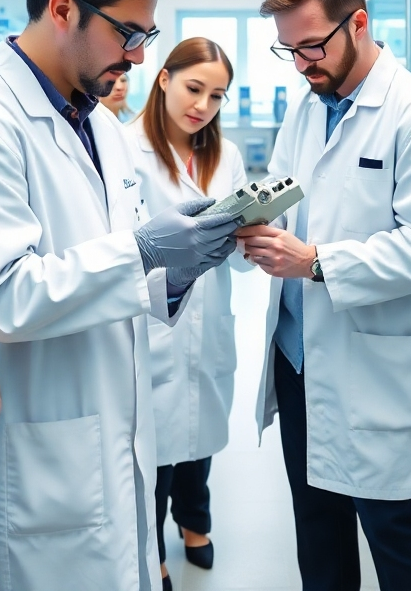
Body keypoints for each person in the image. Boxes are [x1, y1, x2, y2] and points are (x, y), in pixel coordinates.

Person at [0, 0, 240, 591]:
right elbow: (8, 298)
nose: (141, 57)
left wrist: (178, 266)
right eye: (130, 34)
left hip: (114, 438)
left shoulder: (98, 124)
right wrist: (145, 250)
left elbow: (114, 273)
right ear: (63, 9)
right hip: (40, 451)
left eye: (146, 36)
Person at [238, 0, 411, 591]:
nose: (302, 62)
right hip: (299, 355)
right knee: (317, 526)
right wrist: (234, 218)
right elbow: (280, 187)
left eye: (311, 46)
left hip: (371, 361)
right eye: (289, 51)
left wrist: (314, 263)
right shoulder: (309, 106)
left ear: (357, 24)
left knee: (392, 528)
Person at [128, 38, 248, 590]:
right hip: (152, 319)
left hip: (209, 318)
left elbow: (242, 257)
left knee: (198, 432)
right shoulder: (127, 151)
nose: (202, 105)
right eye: (194, 88)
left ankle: (194, 522)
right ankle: (151, 550)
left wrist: (254, 235)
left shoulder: (226, 156)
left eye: (217, 96)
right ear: (164, 80)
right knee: (153, 448)